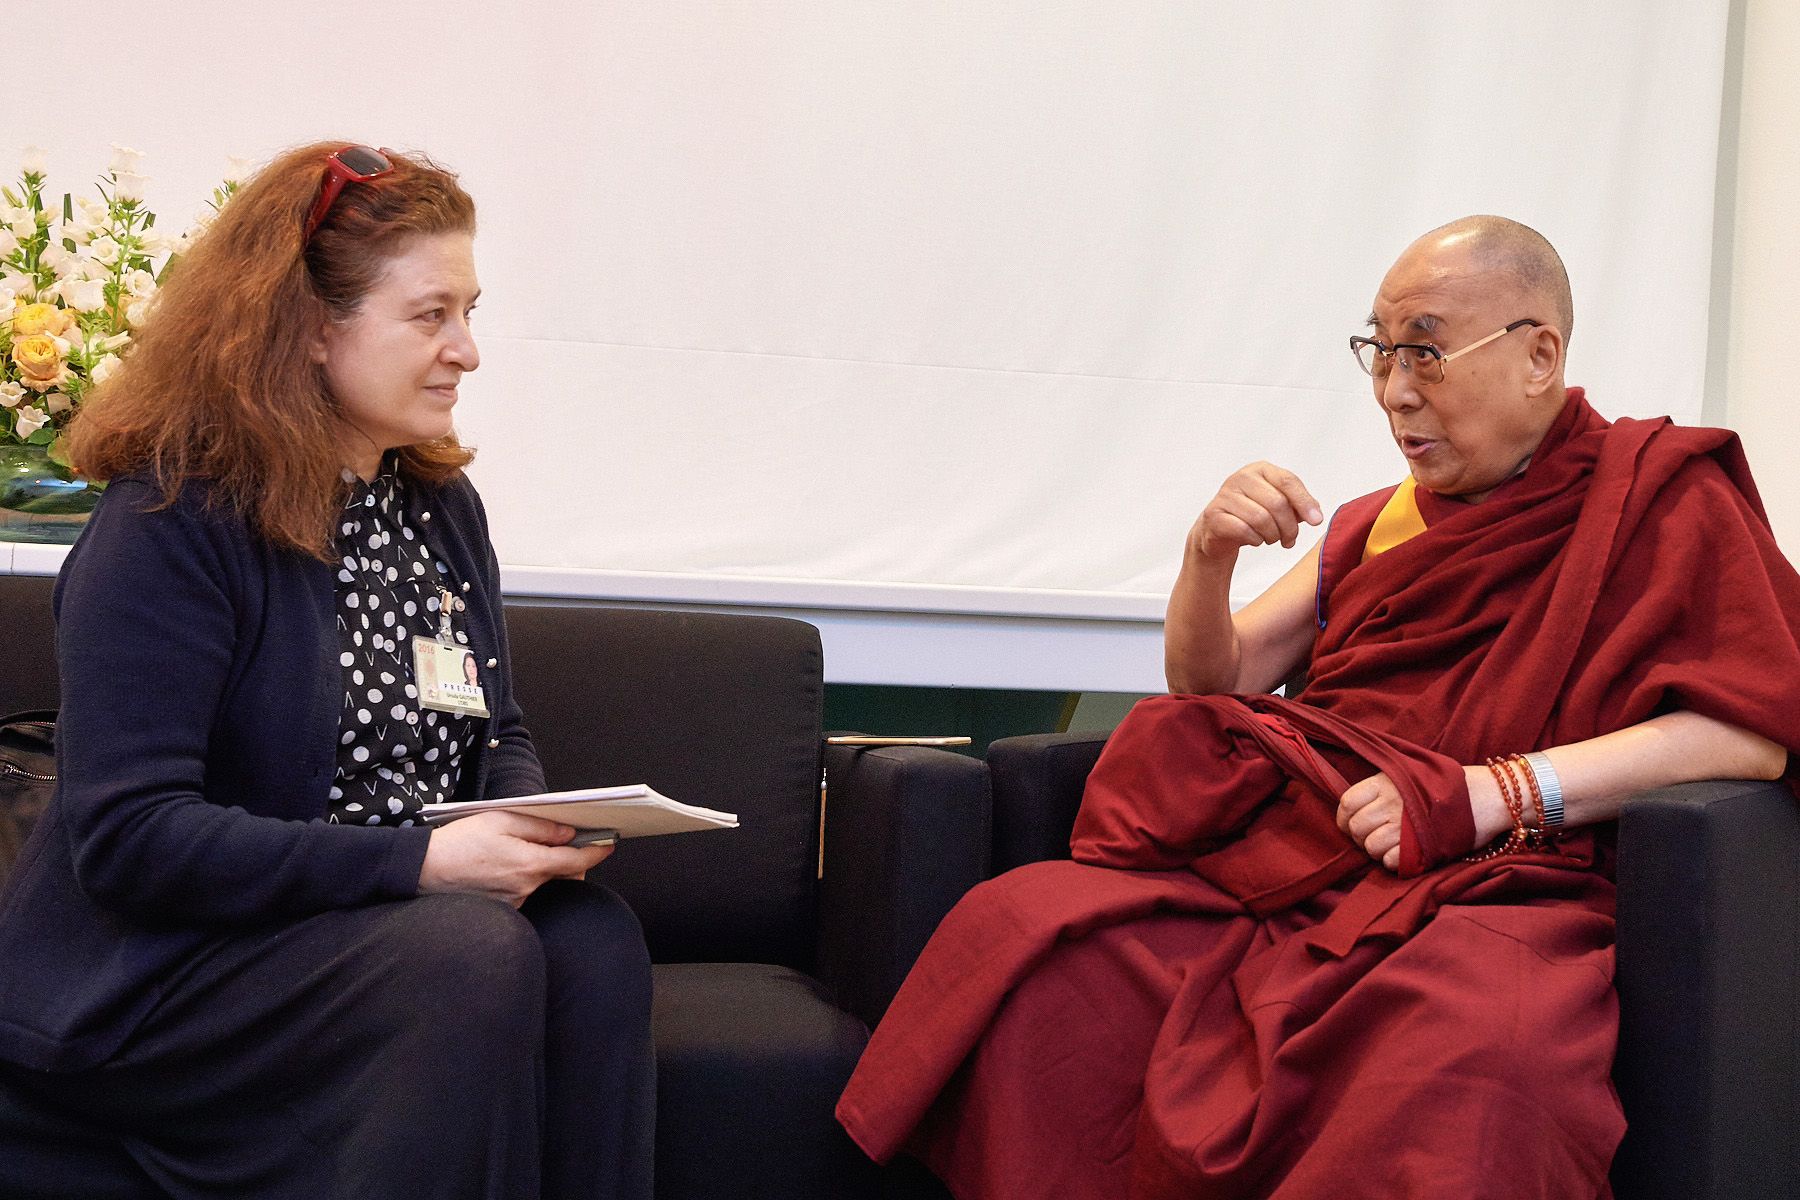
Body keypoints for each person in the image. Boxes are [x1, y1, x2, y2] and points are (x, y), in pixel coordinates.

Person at [836, 216, 1800, 1198]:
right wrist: (1206, 558)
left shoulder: (1659, 501)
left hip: (1502, 881)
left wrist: (1492, 793)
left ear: (1538, 354)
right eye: (1378, 354)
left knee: (1478, 1060)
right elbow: (1214, 684)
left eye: (1424, 350)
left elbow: (1749, 734)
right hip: (1313, 862)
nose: (1393, 393)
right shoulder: (1377, 523)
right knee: (1038, 945)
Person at [0, 144, 654, 1199]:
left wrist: (525, 827)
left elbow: (496, 727)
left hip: (368, 932)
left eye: (470, 312)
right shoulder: (173, 519)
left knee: (589, 941)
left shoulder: (438, 510)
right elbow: (131, 842)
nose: (468, 352)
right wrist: (424, 867)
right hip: (170, 975)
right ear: (309, 327)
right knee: (465, 958)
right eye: (431, 315)